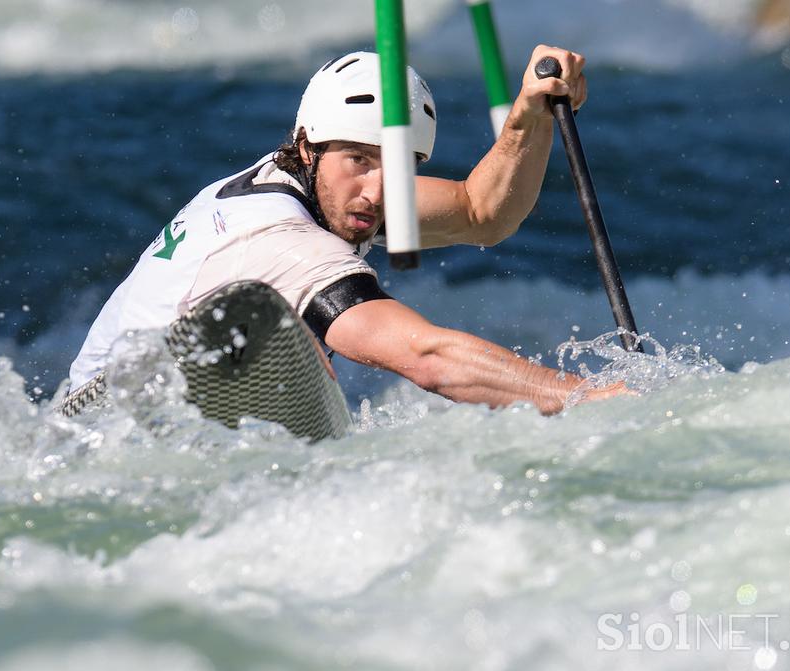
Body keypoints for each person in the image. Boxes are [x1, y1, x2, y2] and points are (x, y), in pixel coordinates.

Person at [67, 45, 626, 415]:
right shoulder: (276, 239)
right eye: (360, 159)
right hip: (98, 428)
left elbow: (484, 213)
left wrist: (530, 113)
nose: (381, 191)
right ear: (308, 147)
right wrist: (587, 397)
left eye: (400, 165)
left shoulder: (321, 187)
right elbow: (427, 359)